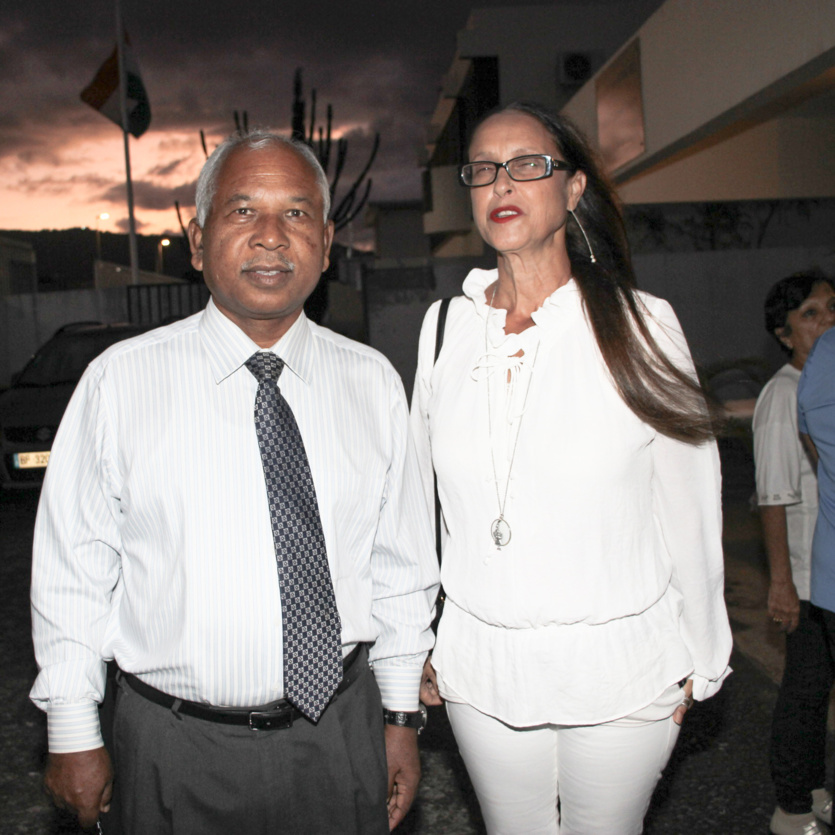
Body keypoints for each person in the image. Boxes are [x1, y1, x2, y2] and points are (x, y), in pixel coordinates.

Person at [30, 131, 439, 835]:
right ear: (197, 241)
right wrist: (71, 728)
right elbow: (74, 568)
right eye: (243, 210)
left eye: (297, 212)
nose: (271, 236)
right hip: (173, 748)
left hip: (339, 736)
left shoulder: (371, 382)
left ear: (327, 242)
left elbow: (400, 565)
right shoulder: (120, 383)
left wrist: (400, 716)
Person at [411, 102, 732, 834]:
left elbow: (689, 502)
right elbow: (417, 506)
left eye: (527, 164)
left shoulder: (641, 323)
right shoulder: (443, 329)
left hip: (622, 665)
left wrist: (704, 652)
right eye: (483, 169)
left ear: (574, 187)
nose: (501, 183)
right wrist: (421, 637)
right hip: (484, 667)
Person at [753, 271, 835, 835]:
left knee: (817, 691)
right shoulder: (785, 393)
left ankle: (813, 790)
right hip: (808, 577)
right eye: (810, 314)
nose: (826, 321)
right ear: (784, 334)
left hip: (824, 574)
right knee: (805, 694)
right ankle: (792, 807)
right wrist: (781, 583)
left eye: (831, 308)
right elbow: (773, 497)